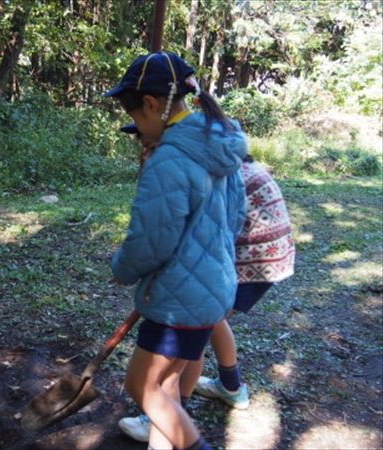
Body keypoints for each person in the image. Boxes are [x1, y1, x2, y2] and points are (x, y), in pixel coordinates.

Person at [104, 51, 248, 450]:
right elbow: (236, 218)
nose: (137, 126)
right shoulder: (221, 143)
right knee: (166, 388)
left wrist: (122, 269)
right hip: (214, 287)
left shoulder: (169, 159)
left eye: (134, 115)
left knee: (143, 386)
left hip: (177, 299)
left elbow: (151, 241)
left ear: (151, 103)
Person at [118, 151, 296, 443]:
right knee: (208, 322)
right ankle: (229, 386)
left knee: (196, 325)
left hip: (250, 261)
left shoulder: (222, 174)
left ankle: (170, 413)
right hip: (270, 258)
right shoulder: (234, 164)